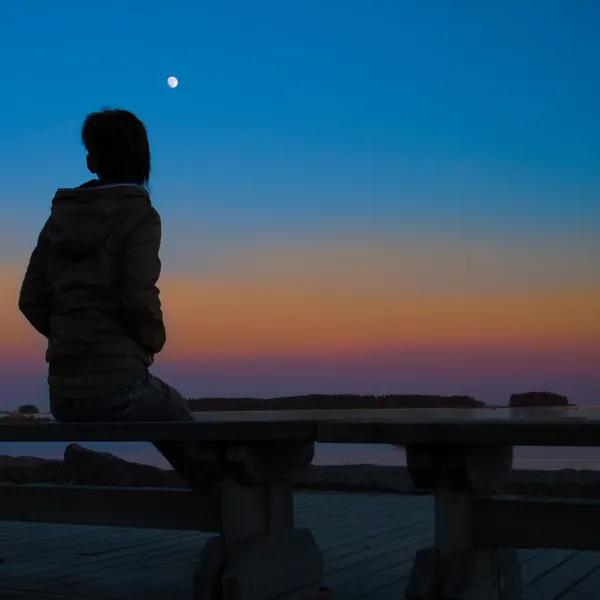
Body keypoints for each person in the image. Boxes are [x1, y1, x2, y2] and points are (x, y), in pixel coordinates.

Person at [18, 108, 210, 489]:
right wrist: (151, 341)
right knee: (195, 443)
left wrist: (68, 337)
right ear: (144, 159)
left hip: (62, 394)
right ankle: (243, 520)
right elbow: (138, 296)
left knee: (175, 425)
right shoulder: (140, 215)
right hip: (118, 386)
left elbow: (30, 298)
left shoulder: (59, 218)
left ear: (91, 162)